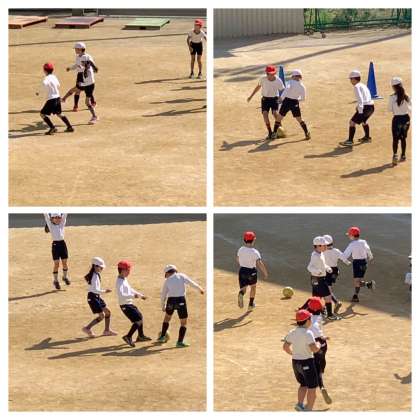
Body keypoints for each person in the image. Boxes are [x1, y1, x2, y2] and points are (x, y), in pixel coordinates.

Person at [158, 264, 205, 348]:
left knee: (167, 318)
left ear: (168, 273)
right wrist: (200, 288)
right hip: (180, 301)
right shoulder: (181, 276)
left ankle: (162, 337)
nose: (166, 276)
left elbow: (163, 295)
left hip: (170, 301)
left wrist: (163, 306)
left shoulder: (167, 281)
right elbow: (191, 283)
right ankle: (179, 342)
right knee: (183, 322)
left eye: (166, 274)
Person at [283, 309, 321, 411]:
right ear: (307, 321)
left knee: (303, 384)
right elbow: (314, 349)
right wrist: (318, 345)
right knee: (312, 388)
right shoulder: (308, 333)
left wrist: (293, 354)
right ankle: (308, 409)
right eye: (310, 319)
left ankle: (299, 404)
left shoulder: (292, 332)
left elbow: (285, 347)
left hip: (295, 363)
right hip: (307, 362)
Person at [115, 260, 151, 347]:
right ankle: (128, 336)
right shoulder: (119, 282)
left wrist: (140, 295)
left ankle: (140, 336)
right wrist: (133, 296)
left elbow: (130, 289)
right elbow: (121, 295)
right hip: (125, 305)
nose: (129, 272)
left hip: (128, 304)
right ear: (122, 270)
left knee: (140, 316)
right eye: (128, 270)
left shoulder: (124, 279)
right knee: (138, 320)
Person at [247, 65, 285, 140]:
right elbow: (258, 87)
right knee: (265, 115)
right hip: (265, 99)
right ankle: (270, 132)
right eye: (270, 74)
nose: (271, 75)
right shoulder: (263, 79)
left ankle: (280, 128)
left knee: (275, 113)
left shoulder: (278, 80)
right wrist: (251, 96)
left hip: (274, 99)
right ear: (267, 73)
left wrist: (281, 98)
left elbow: (283, 90)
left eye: (273, 73)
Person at [82, 257, 117, 338]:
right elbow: (95, 290)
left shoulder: (95, 274)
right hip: (93, 298)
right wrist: (105, 291)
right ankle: (87, 328)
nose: (102, 269)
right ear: (95, 266)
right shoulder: (94, 276)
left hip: (96, 296)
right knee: (102, 316)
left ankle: (107, 330)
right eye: (100, 267)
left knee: (107, 312)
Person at [307, 236, 339, 320]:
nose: (326, 247)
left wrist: (327, 268)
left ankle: (313, 313)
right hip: (318, 279)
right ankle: (329, 315)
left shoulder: (320, 254)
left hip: (316, 279)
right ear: (318, 246)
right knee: (328, 297)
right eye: (324, 245)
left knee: (316, 298)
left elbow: (323, 264)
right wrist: (317, 271)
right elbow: (309, 267)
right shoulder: (315, 256)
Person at [340, 70, 374, 147]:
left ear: (354, 79)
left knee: (352, 122)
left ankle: (350, 141)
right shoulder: (363, 85)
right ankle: (367, 137)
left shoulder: (356, 87)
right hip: (371, 106)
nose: (350, 81)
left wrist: (360, 111)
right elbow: (367, 97)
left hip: (364, 107)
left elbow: (360, 99)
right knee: (364, 121)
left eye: (351, 79)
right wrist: (359, 107)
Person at [38, 63, 74, 135]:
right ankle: (69, 127)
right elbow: (58, 85)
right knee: (59, 113)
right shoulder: (54, 77)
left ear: (45, 70)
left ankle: (52, 128)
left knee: (42, 114)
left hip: (51, 99)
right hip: (57, 98)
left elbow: (44, 84)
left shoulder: (46, 78)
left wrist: (38, 92)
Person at [236, 231, 268, 311]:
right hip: (252, 272)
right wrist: (265, 273)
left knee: (244, 288)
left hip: (242, 270)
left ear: (244, 240)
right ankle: (250, 304)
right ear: (253, 240)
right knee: (253, 287)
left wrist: (242, 264)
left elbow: (237, 258)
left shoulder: (241, 249)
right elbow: (259, 263)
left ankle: (241, 294)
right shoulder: (255, 252)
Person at [342, 226, 375, 303]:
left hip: (357, 263)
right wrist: (370, 256)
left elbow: (345, 255)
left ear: (352, 236)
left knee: (357, 282)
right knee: (358, 281)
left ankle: (367, 286)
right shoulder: (363, 241)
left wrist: (344, 260)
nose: (349, 237)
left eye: (349, 235)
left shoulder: (352, 244)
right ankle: (357, 294)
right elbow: (368, 249)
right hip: (364, 262)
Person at [278, 69, 311, 140]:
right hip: (295, 103)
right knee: (299, 119)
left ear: (293, 76)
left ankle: (274, 133)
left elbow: (286, 90)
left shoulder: (290, 82)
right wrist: (296, 99)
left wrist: (281, 98)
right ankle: (307, 133)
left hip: (286, 102)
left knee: (279, 117)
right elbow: (303, 98)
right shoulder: (302, 86)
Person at [323, 234, 351, 313]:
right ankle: (325, 306)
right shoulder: (336, 250)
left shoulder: (323, 252)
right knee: (328, 288)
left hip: (327, 271)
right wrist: (348, 262)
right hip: (335, 271)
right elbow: (344, 258)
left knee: (326, 289)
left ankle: (335, 302)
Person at [43, 213, 70, 289]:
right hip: (55, 245)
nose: (58, 219)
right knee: (56, 264)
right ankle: (55, 281)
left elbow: (65, 214)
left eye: (59, 217)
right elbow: (46, 215)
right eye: (55, 217)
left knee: (64, 263)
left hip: (63, 244)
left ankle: (64, 277)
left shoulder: (62, 224)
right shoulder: (50, 225)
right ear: (52, 219)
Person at [388, 77, 411, 166]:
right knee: (403, 138)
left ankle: (395, 155)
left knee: (395, 138)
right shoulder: (407, 96)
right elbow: (411, 108)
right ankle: (403, 155)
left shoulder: (392, 97)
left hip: (397, 119)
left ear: (393, 87)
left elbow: (389, 109)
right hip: (406, 119)